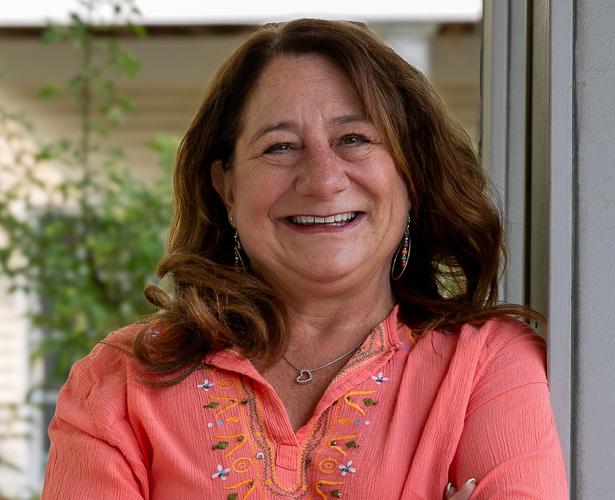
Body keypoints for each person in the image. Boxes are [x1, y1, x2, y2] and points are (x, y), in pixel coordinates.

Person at [42, 19, 568, 499]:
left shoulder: (486, 367)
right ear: (227, 187)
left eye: (354, 139)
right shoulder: (119, 382)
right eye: (279, 147)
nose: (322, 179)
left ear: (411, 176)